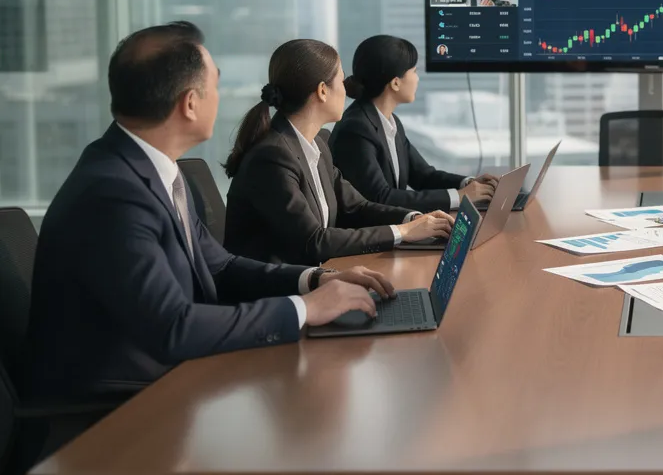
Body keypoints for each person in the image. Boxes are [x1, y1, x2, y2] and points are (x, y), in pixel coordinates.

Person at [26, 22, 392, 403]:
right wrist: (304, 309)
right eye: (215, 84)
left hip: (167, 378)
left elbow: (222, 266)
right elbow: (174, 327)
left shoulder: (152, 170)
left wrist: (317, 280)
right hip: (115, 410)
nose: (221, 95)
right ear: (189, 103)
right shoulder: (113, 194)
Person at [223, 39, 455, 267]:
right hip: (275, 294)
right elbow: (313, 241)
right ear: (323, 91)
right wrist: (403, 232)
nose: (347, 91)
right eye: (342, 82)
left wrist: (413, 219)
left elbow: (357, 207)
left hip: (316, 275)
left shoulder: (318, 144)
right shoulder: (273, 157)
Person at [330, 35, 500, 214]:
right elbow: (380, 197)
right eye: (414, 71)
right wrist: (460, 196)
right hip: (373, 234)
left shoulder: (390, 122)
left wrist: (468, 184)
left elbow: (424, 176)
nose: (417, 79)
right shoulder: (356, 129)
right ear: (395, 82)